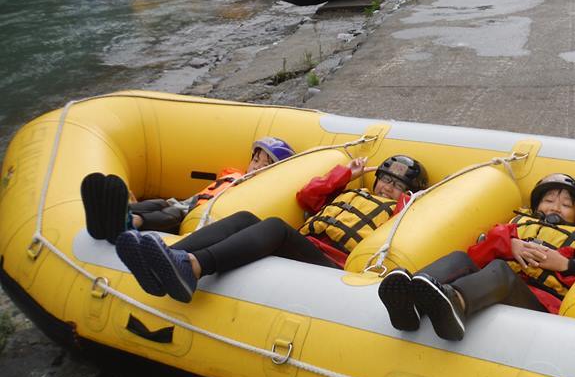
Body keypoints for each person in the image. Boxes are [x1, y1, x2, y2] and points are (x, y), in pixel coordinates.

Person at [115, 154, 428, 303]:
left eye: (397, 185)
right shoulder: (351, 191)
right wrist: (345, 174)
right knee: (245, 217)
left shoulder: (399, 212)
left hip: (332, 265)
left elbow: (408, 216)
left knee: (276, 227)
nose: (387, 187)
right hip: (307, 245)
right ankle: (166, 257)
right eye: (385, 179)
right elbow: (307, 196)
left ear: (408, 192)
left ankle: (193, 267)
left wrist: (412, 198)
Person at [378, 174, 575, 341]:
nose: (555, 208)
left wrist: (566, 264)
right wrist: (508, 245)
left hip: (538, 305)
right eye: (549, 201)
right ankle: (409, 300)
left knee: (501, 271)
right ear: (537, 206)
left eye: (566, 205)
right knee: (459, 258)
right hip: (495, 284)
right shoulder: (513, 227)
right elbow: (476, 256)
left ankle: (456, 304)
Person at [81, 137, 295, 244]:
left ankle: (129, 222)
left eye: (264, 165)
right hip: (189, 204)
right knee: (160, 203)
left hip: (199, 218)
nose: (256, 167)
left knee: (173, 213)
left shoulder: (260, 192)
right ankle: (116, 212)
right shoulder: (233, 175)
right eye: (255, 160)